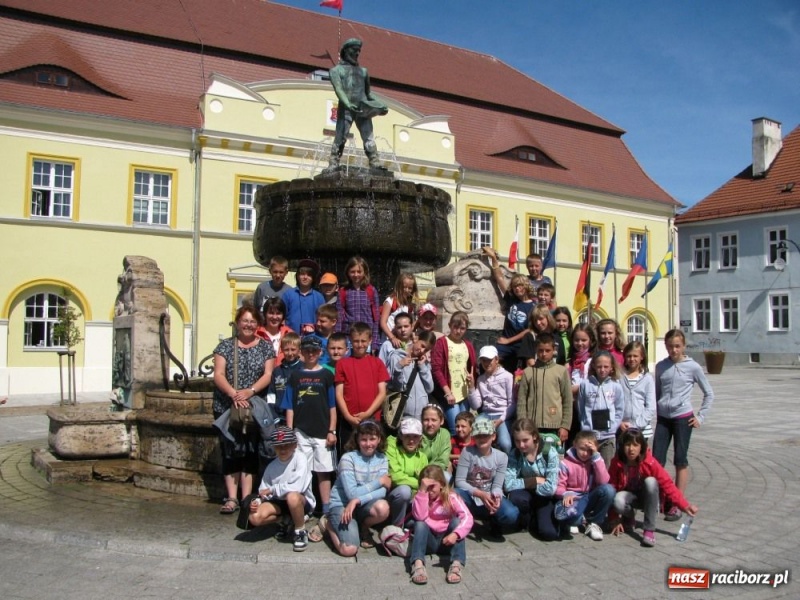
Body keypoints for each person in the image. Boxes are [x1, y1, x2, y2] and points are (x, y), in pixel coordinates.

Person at [212, 303, 276, 515]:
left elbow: (268, 374)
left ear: (257, 324)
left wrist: (249, 391)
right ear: (238, 323)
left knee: (250, 450)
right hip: (227, 405)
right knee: (231, 450)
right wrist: (234, 394)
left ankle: (246, 497)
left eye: (252, 321)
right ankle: (231, 497)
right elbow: (218, 374)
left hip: (253, 405)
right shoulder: (225, 347)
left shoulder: (265, 346)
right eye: (245, 320)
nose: (248, 324)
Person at [653, 328, 714, 521]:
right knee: (657, 460)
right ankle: (661, 496)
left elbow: (709, 393)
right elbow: (656, 393)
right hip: (663, 418)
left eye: (677, 346)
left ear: (684, 346)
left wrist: (700, 417)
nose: (674, 350)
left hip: (682, 418)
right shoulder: (661, 367)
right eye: (670, 346)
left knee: (680, 459)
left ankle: (678, 502)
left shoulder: (692, 367)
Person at [609, 429, 699, 547]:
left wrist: (685, 506)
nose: (631, 449)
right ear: (622, 446)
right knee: (617, 499)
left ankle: (649, 530)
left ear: (641, 447)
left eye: (635, 445)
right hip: (630, 497)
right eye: (628, 445)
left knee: (651, 482)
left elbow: (667, 484)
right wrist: (614, 518)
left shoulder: (649, 461)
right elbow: (612, 487)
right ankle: (629, 517)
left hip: (649, 498)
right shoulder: (617, 462)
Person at [281, 336, 337, 524]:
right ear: (301, 353)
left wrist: (332, 430)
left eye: (314, 351)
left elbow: (332, 406)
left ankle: (326, 508)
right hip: (301, 431)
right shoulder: (295, 376)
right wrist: (290, 432)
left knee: (324, 471)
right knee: (302, 471)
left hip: (322, 431)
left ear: (320, 352)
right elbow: (289, 405)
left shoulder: (327, 375)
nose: (310, 354)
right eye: (306, 351)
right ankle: (306, 506)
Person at [324, 420, 391, 554]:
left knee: (383, 508)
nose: (368, 444)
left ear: (379, 440)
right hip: (342, 504)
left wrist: (357, 501)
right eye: (364, 439)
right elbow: (351, 493)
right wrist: (379, 481)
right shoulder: (348, 459)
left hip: (360, 504)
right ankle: (329, 524)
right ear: (357, 440)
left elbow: (383, 491)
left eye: (372, 439)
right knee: (349, 550)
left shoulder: (382, 459)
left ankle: (364, 526)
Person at [246, 426, 315, 552]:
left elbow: (297, 487)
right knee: (254, 517)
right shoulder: (271, 466)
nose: (282, 450)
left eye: (286, 445)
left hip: (300, 500)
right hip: (279, 502)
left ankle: (300, 530)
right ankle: (284, 521)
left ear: (294, 445)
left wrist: (273, 490)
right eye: (278, 446)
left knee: (292, 497)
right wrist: (257, 502)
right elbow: (263, 491)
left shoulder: (300, 458)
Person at [327, 38, 388, 170]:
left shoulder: (364, 72)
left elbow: (368, 94)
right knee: (341, 136)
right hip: (346, 109)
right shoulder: (336, 71)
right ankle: (333, 162)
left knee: (368, 136)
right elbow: (338, 89)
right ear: (346, 51)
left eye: (358, 51)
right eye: (354, 50)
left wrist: (380, 105)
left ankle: (374, 161)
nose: (357, 53)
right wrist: (348, 104)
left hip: (363, 108)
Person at [454, 416, 519, 536]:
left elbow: (497, 485)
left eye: (485, 435)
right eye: (478, 436)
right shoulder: (467, 452)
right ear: (474, 437)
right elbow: (460, 481)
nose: (482, 439)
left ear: (493, 436)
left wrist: (497, 496)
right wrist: (479, 493)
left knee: (511, 513)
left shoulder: (501, 457)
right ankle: (466, 518)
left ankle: (494, 520)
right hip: (471, 495)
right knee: (455, 493)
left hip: (489, 496)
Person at [409, 465, 473, 586]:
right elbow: (420, 517)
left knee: (456, 521)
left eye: (432, 486)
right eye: (425, 486)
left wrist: (455, 534)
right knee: (420, 523)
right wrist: (422, 492)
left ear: (442, 484)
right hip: (430, 541)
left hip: (447, 541)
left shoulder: (451, 497)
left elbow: (468, 517)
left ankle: (456, 563)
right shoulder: (420, 497)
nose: (429, 490)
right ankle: (418, 563)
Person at [335, 322, 390, 447]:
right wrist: (348, 417)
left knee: (372, 454)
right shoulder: (342, 364)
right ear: (350, 340)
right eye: (356, 341)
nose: (360, 345)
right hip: (349, 422)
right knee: (348, 455)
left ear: (370, 340)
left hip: (372, 419)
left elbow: (382, 393)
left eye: (363, 341)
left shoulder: (377, 363)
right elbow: (339, 394)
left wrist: (368, 413)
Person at [504, 419, 560, 540]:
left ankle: (538, 519)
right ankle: (526, 520)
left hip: (544, 497)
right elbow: (508, 485)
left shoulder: (549, 452)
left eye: (525, 440)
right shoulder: (515, 454)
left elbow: (551, 488)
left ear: (534, 436)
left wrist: (526, 484)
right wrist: (534, 481)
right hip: (525, 494)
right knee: (516, 497)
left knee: (549, 534)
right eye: (517, 441)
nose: (521, 445)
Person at [554, 430, 614, 541]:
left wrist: (596, 456)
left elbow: (603, 482)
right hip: (574, 500)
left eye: (589, 450)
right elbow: (558, 486)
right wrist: (565, 493)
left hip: (588, 498)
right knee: (574, 519)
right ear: (574, 444)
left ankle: (594, 523)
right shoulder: (565, 463)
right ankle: (577, 520)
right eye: (582, 449)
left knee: (609, 490)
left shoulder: (594, 461)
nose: (585, 453)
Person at [516, 332, 572, 446]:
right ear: (536, 350)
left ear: (554, 350)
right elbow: (522, 401)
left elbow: (567, 400)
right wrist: (522, 424)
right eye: (540, 350)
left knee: (554, 459)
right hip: (532, 426)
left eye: (547, 350)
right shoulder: (528, 372)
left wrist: (565, 426)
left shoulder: (561, 371)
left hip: (555, 425)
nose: (544, 354)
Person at [431, 311, 478, 435]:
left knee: (465, 429)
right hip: (450, 393)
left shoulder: (467, 345)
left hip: (464, 393)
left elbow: (472, 366)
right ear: (449, 325)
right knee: (455, 429)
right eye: (455, 327)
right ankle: (453, 453)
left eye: (462, 328)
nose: (458, 331)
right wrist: (447, 392)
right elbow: (436, 369)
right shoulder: (442, 342)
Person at [578, 350, 624, 467]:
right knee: (588, 468)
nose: (602, 370)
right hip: (589, 435)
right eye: (599, 366)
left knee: (606, 468)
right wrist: (586, 424)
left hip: (607, 436)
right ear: (593, 366)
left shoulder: (616, 386)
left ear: (611, 368)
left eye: (606, 366)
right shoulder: (585, 385)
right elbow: (581, 407)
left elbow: (619, 410)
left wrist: (613, 426)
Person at [467, 345, 515, 454]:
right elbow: (476, 405)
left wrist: (501, 419)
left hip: (503, 415)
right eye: (483, 360)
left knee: (505, 444)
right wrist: (471, 387)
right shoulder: (481, 379)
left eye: (489, 360)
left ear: (496, 359)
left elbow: (512, 403)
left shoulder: (507, 376)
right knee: (475, 435)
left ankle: (505, 466)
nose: (486, 363)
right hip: (486, 414)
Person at [386, 416, 428, 526]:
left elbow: (426, 480)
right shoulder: (392, 449)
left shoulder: (422, 457)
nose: (411, 440)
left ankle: (410, 522)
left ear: (420, 438)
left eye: (415, 436)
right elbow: (395, 477)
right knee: (404, 490)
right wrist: (418, 483)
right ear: (400, 436)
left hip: (414, 496)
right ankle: (397, 526)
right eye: (407, 436)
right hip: (393, 495)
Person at [386, 330, 435, 421]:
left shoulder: (424, 362)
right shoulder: (396, 357)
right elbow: (398, 387)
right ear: (416, 339)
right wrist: (399, 367)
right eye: (422, 345)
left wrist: (423, 367)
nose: (422, 350)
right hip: (403, 414)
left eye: (426, 349)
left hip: (422, 415)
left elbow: (430, 388)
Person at [336, 256, 381, 351]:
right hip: (349, 338)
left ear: (365, 272)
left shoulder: (371, 290)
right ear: (348, 272)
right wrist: (338, 339)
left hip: (366, 338)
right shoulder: (343, 291)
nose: (356, 275)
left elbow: (376, 318)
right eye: (352, 272)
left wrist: (375, 341)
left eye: (359, 272)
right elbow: (339, 317)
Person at [619, 341, 656, 440]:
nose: (632, 359)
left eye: (635, 356)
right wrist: (619, 422)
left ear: (642, 357)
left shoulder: (647, 378)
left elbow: (651, 407)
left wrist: (636, 424)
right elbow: (614, 402)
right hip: (623, 427)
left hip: (642, 429)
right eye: (629, 356)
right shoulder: (620, 377)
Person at [283, 259, 324, 336]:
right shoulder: (288, 294)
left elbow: (323, 319)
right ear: (297, 276)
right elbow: (282, 317)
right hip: (291, 338)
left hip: (313, 338)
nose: (305, 277)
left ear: (313, 278)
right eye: (302, 274)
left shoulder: (319, 297)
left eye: (309, 275)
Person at [267, 332, 302, 417]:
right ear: (282, 349)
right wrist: (273, 415)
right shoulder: (277, 371)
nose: (290, 353)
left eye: (293, 349)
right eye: (286, 350)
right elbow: (271, 395)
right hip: (279, 416)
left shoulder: (304, 369)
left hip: (299, 415)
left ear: (299, 350)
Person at [380, 273, 418, 347]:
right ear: (398, 286)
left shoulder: (409, 305)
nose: (407, 290)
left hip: (402, 342)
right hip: (389, 340)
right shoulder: (390, 301)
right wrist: (392, 337)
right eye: (404, 287)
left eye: (410, 288)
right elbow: (383, 322)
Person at [256, 297, 293, 366]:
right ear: (265, 314)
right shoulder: (256, 334)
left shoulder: (289, 334)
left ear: (283, 316)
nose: (274, 317)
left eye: (278, 313)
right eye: (271, 313)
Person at [420, 404, 452, 475]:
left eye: (434, 420)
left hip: (437, 471)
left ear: (441, 421)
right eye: (426, 420)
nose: (429, 424)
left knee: (448, 465)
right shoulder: (416, 435)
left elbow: (443, 460)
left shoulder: (444, 434)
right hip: (419, 472)